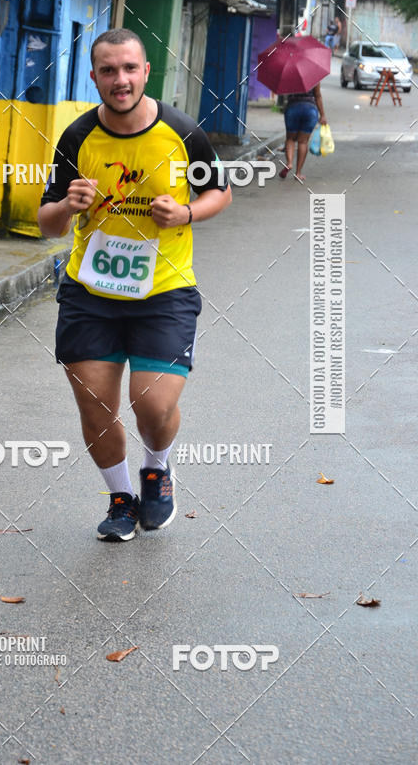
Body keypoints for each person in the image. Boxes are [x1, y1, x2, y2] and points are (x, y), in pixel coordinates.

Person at [38, 28, 232, 541]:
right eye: (108, 70)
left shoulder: (182, 132)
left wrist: (187, 213)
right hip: (89, 295)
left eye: (129, 68)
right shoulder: (78, 137)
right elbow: (47, 223)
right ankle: (121, 499)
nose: (119, 79)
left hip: (163, 293)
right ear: (94, 76)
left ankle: (157, 469)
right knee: (96, 407)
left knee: (152, 404)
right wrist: (67, 206)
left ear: (146, 72)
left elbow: (220, 192)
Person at [278, 82, 327, 182]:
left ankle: (289, 163)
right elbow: (318, 96)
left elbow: (283, 92)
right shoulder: (314, 77)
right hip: (310, 110)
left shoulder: (290, 76)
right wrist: (322, 115)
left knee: (290, 139)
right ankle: (298, 173)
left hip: (293, 108)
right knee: (303, 142)